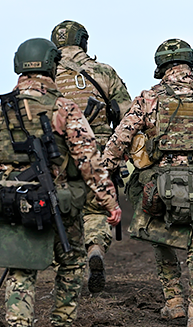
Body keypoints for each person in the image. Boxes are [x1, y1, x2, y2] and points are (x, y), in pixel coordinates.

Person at [0, 37, 121, 327]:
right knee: (71, 261)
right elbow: (88, 160)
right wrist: (109, 203)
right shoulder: (65, 109)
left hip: (12, 202)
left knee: (19, 270)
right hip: (59, 203)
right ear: (52, 66)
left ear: (19, 67)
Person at [101, 38, 193, 327]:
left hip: (158, 185)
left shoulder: (149, 99)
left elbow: (121, 139)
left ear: (160, 67)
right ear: (190, 64)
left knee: (161, 238)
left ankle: (173, 302)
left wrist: (104, 169)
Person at [50, 20, 132, 294]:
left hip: (59, 153)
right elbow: (126, 112)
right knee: (97, 207)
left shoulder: (48, 74)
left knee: (61, 207)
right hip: (99, 150)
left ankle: (65, 273)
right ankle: (95, 248)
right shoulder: (103, 72)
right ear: (84, 41)